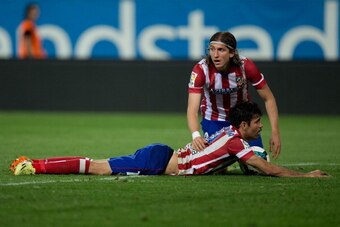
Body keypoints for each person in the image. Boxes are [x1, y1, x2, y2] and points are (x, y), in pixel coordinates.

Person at [10, 102, 327, 178]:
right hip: (158, 162)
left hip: (163, 156)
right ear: (243, 125)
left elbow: (252, 164)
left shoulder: (231, 136)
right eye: (258, 122)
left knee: (98, 164)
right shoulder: (235, 142)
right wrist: (306, 176)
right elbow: (265, 168)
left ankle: (33, 163)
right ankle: (33, 164)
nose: (261, 127)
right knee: (97, 167)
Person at [187, 31, 281, 160]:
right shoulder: (201, 70)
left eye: (221, 50)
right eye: (212, 49)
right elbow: (192, 110)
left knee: (258, 162)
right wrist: (196, 135)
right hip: (214, 120)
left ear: (232, 53)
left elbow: (268, 98)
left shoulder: (246, 66)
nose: (215, 55)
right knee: (217, 167)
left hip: (243, 122)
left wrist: (275, 132)